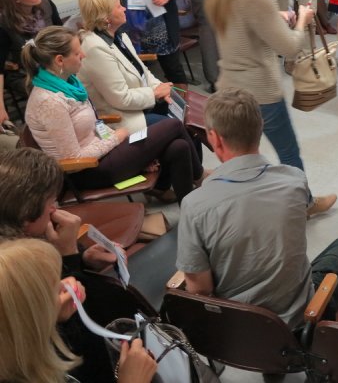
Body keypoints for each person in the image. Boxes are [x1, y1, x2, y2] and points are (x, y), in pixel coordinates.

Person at [177, 88, 338, 328]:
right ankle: (323, 334)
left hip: (238, 330)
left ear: (215, 138)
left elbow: (200, 290)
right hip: (297, 320)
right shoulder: (295, 180)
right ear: (261, 128)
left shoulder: (194, 205)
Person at [204, 0, 337, 216]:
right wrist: (302, 19)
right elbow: (289, 47)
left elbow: (239, 26)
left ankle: (232, 210)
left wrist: (273, 17)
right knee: (289, 153)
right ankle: (304, 204)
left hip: (228, 89)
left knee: (236, 159)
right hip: (260, 92)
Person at [22, 26, 203, 202]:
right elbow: (73, 159)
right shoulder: (49, 102)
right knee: (172, 125)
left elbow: (94, 126)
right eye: (77, 53)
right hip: (89, 170)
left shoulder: (68, 84)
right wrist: (117, 138)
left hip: (106, 152)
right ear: (60, 60)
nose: (83, 55)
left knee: (178, 147)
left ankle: (191, 210)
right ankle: (201, 178)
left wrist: (133, 152)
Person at [0, 147, 121, 382]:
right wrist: (68, 254)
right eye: (51, 202)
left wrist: (83, 259)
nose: (55, 209)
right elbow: (81, 336)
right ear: (26, 217)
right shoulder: (17, 270)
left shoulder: (24, 237)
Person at [0, 237, 157, 383]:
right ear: (30, 319)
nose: (67, 284)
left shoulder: (24, 345)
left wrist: (58, 318)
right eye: (55, 288)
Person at [78, 0, 175, 131]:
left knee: (183, 115)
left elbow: (143, 71)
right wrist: (155, 93)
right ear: (106, 18)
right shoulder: (94, 48)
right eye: (119, 6)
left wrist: (160, 87)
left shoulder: (119, 35)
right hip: (122, 118)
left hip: (139, 104)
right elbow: (121, 98)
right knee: (175, 126)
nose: (124, 8)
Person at [0, 0, 62, 123]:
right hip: (26, 74)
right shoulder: (4, 25)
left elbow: (63, 37)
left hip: (55, 64)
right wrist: (0, 107)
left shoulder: (46, 4)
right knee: (56, 93)